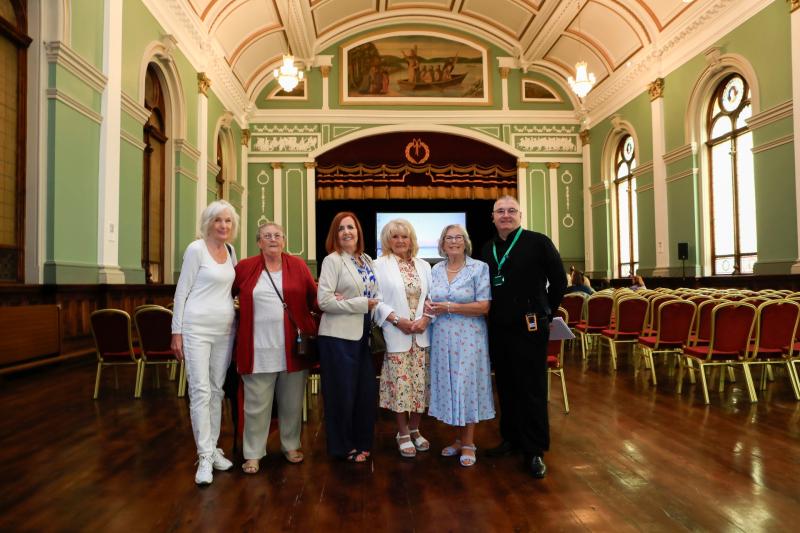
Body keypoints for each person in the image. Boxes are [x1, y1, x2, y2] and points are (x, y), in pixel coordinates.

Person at [481, 195, 566, 479]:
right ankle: (512, 438)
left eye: (511, 211)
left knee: (531, 389)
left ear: (520, 215)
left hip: (530, 328)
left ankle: (534, 450)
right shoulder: (488, 248)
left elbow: (559, 281)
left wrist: (545, 312)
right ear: (493, 217)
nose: (506, 215)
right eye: (500, 211)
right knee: (505, 387)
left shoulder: (538, 241)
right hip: (499, 329)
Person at [232, 222, 318, 475]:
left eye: (277, 235)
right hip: (256, 349)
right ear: (258, 242)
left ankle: (290, 445)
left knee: (291, 403)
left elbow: (314, 298)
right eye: (267, 236)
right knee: (256, 405)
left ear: (284, 241)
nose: (272, 239)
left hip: (293, 349)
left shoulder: (298, 266)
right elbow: (227, 293)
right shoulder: (246, 267)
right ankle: (253, 453)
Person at [171, 200, 239, 485]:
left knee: (216, 390)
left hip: (225, 330)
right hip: (196, 329)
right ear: (208, 222)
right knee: (199, 391)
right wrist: (177, 332)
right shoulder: (195, 249)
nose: (223, 226)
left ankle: (213, 449)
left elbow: (231, 292)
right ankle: (204, 457)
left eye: (228, 221)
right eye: (218, 220)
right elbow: (181, 292)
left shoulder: (231, 251)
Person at [426, 224, 494, 467]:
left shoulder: (479, 268)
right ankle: (457, 439)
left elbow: (484, 306)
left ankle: (469, 442)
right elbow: (430, 302)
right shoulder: (435, 270)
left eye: (458, 237)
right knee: (451, 386)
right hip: (442, 336)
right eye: (448, 238)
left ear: (465, 242)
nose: (453, 241)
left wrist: (449, 307)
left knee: (466, 385)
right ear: (442, 244)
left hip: (470, 337)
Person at [317, 212, 381, 463]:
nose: (347, 232)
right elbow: (324, 301)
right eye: (341, 228)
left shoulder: (366, 259)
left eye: (351, 227)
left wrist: (365, 304)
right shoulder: (332, 261)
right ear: (335, 234)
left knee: (364, 393)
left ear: (358, 231)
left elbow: (376, 295)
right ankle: (342, 446)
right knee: (341, 395)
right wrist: (361, 303)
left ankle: (362, 441)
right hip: (337, 338)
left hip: (363, 335)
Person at [373, 219, 432, 458]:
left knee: (420, 386)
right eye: (394, 237)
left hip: (423, 335)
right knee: (400, 387)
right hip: (396, 334)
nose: (400, 241)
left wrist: (425, 319)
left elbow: (432, 298)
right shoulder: (378, 265)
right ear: (387, 240)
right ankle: (402, 432)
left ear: (412, 240)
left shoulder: (424, 265)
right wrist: (399, 321)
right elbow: (376, 301)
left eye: (404, 237)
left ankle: (416, 428)